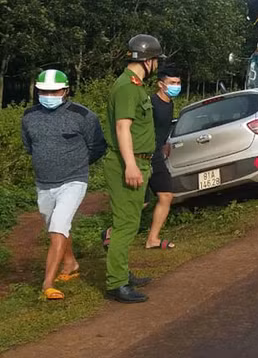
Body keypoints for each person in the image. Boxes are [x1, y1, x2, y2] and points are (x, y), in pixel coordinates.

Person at [21, 70, 107, 300]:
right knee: (57, 227)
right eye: (44, 91)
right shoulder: (29, 116)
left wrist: (77, 164)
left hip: (74, 180)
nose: (49, 95)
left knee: (58, 227)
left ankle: (47, 284)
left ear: (66, 91)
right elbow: (30, 147)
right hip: (44, 183)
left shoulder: (83, 116)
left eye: (54, 91)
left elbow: (98, 146)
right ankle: (70, 263)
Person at [102, 34, 165, 303]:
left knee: (129, 220)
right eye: (156, 60)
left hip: (139, 159)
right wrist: (130, 165)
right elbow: (122, 127)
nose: (157, 65)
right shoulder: (128, 87)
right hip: (127, 161)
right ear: (148, 60)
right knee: (126, 223)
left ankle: (122, 273)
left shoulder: (134, 85)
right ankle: (117, 284)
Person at [144, 65, 181, 249]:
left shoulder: (170, 103)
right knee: (139, 203)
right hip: (142, 156)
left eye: (178, 82)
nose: (176, 85)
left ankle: (153, 239)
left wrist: (166, 143)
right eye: (172, 82)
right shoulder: (150, 103)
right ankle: (111, 232)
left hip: (157, 155)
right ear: (161, 84)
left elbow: (162, 128)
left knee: (166, 195)